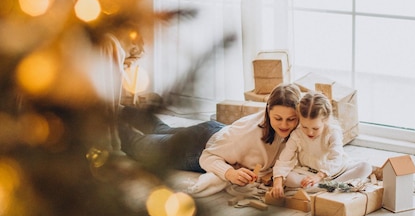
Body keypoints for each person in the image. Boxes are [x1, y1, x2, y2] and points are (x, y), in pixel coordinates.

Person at [118, 83, 302, 196]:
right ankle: (108, 119)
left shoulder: (296, 127)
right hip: (198, 148)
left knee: (163, 130)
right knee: (137, 147)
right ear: (268, 111)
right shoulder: (249, 134)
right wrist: (230, 173)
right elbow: (208, 157)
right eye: (278, 119)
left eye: (291, 119)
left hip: (213, 131)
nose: (285, 125)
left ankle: (124, 111)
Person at [270, 90, 372, 199]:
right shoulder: (297, 134)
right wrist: (277, 182)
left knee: (365, 167)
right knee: (289, 178)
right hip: (309, 173)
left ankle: (322, 187)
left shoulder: (332, 132)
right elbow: (284, 159)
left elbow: (336, 159)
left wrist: (319, 177)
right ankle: (332, 187)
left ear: (326, 120)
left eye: (315, 128)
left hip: (335, 172)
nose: (309, 132)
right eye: (304, 127)